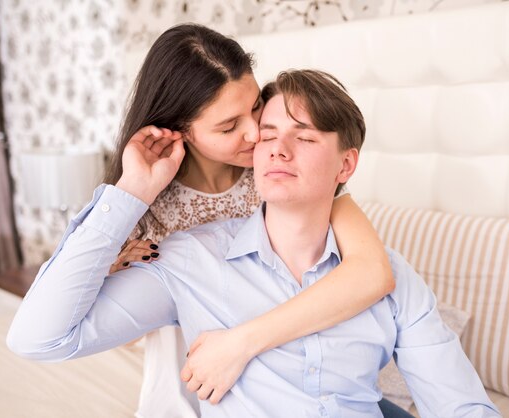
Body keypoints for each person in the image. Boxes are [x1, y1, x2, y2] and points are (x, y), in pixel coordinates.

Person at [7, 68, 500, 417]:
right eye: (267, 135)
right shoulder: (186, 257)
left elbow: (461, 406)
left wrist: (242, 341)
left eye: (304, 138)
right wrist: (131, 191)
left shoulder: (384, 272)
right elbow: (37, 338)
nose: (276, 148)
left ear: (345, 167)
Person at [96, 23, 399, 417]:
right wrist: (107, 268)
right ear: (180, 131)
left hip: (304, 375)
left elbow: (374, 274)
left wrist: (242, 343)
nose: (258, 133)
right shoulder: (142, 204)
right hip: (201, 387)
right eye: (228, 126)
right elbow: (118, 334)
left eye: (255, 106)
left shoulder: (281, 177)